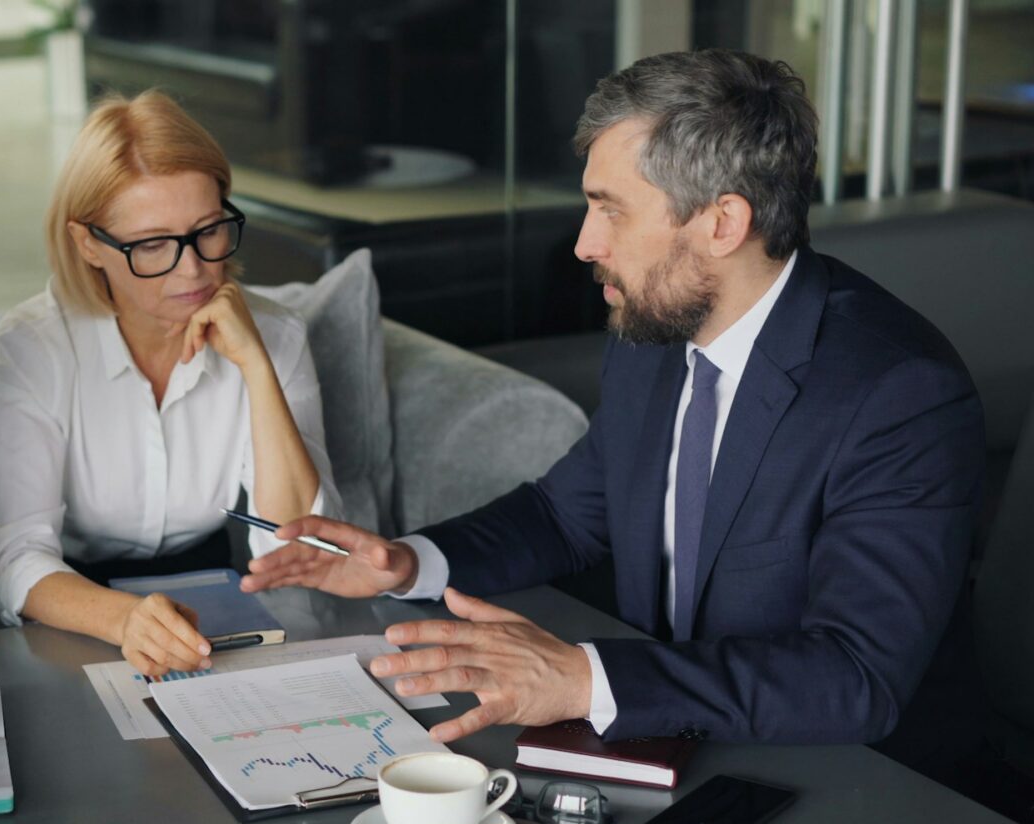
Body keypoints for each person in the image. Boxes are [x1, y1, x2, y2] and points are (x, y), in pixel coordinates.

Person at [242, 50, 984, 751]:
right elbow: (566, 513)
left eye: (612, 211)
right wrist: (409, 563)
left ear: (722, 223)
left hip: (848, 783)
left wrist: (581, 678)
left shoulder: (899, 396)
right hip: (663, 743)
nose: (585, 244)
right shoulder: (654, 333)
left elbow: (857, 678)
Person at [0, 91, 342, 677]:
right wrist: (124, 620)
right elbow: (16, 558)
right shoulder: (33, 346)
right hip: (75, 609)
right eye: (152, 245)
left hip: (217, 598)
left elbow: (293, 548)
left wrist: (256, 367)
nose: (193, 269)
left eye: (208, 231)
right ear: (88, 243)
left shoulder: (274, 333)